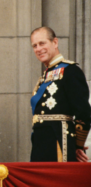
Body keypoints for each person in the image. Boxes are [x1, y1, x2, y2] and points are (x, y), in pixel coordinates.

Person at [30, 26, 90, 162]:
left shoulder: (71, 71)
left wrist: (77, 145)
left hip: (60, 143)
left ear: (55, 42)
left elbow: (83, 113)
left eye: (42, 43)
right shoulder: (44, 76)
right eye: (35, 46)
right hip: (40, 144)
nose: (38, 49)